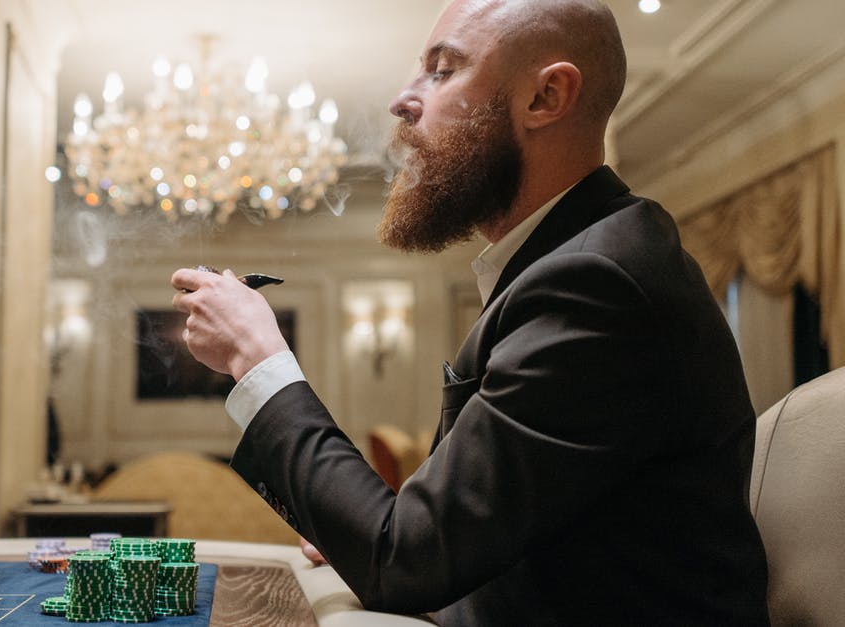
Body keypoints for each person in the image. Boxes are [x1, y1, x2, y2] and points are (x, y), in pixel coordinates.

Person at [171, 0, 770, 623]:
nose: (403, 99)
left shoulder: (598, 282)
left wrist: (257, 357)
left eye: (442, 69)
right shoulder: (574, 259)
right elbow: (443, 539)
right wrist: (356, 524)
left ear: (546, 98)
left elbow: (402, 560)